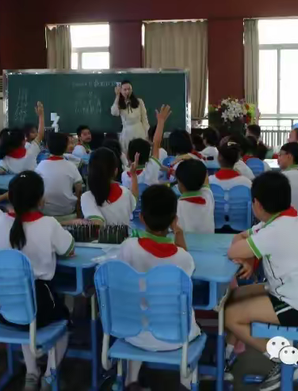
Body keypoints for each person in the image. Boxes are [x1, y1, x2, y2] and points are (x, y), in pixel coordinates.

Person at [226, 172, 298, 390]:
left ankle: (286, 360)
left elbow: (233, 248)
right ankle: (230, 354)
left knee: (230, 316)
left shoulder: (274, 231)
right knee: (234, 295)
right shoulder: (285, 219)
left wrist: (246, 254)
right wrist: (249, 257)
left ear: (258, 204)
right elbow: (241, 238)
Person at [0, 171, 74, 391]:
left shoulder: (0, 221)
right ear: (41, 199)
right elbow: (68, 248)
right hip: (41, 300)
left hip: (5, 302)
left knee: (23, 317)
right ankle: (49, 375)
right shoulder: (48, 224)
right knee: (64, 322)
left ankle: (31, 372)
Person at [118, 185, 201, 391]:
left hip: (134, 333)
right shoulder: (183, 258)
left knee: (140, 305)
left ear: (142, 218)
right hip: (176, 338)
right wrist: (178, 231)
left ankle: (130, 380)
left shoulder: (128, 247)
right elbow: (184, 257)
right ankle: (185, 382)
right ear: (174, 219)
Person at [81, 147, 138, 226]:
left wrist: (67, 222)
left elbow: (97, 224)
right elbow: (134, 198)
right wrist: (133, 175)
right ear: (115, 171)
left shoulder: (87, 197)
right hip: (127, 237)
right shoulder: (125, 192)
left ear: (89, 170)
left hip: (100, 238)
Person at [35, 132, 83, 221]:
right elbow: (79, 189)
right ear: (65, 147)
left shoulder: (40, 166)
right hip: (68, 211)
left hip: (45, 212)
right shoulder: (71, 166)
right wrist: (79, 214)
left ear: (47, 147)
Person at [122, 106, 171, 189]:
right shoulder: (152, 168)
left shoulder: (125, 176)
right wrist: (161, 122)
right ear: (149, 155)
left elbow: (156, 143)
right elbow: (156, 143)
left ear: (128, 157)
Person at [0, 102, 45, 175]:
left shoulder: (6, 157)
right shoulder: (31, 150)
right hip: (32, 183)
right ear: (23, 142)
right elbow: (40, 134)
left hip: (17, 184)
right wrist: (41, 115)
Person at [176, 160, 215, 234]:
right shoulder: (208, 196)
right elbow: (205, 180)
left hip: (185, 245)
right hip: (208, 243)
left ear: (179, 182)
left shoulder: (176, 207)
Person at [111, 80, 150, 152]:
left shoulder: (139, 101)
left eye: (129, 89)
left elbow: (144, 119)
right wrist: (117, 96)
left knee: (140, 151)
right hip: (127, 132)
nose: (127, 92)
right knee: (128, 153)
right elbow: (114, 112)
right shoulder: (119, 103)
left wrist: (146, 133)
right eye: (124, 89)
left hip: (139, 130)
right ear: (121, 90)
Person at [278, 142, 298, 223]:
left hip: (287, 227)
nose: (278, 158)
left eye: (280, 155)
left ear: (289, 156)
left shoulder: (284, 179)